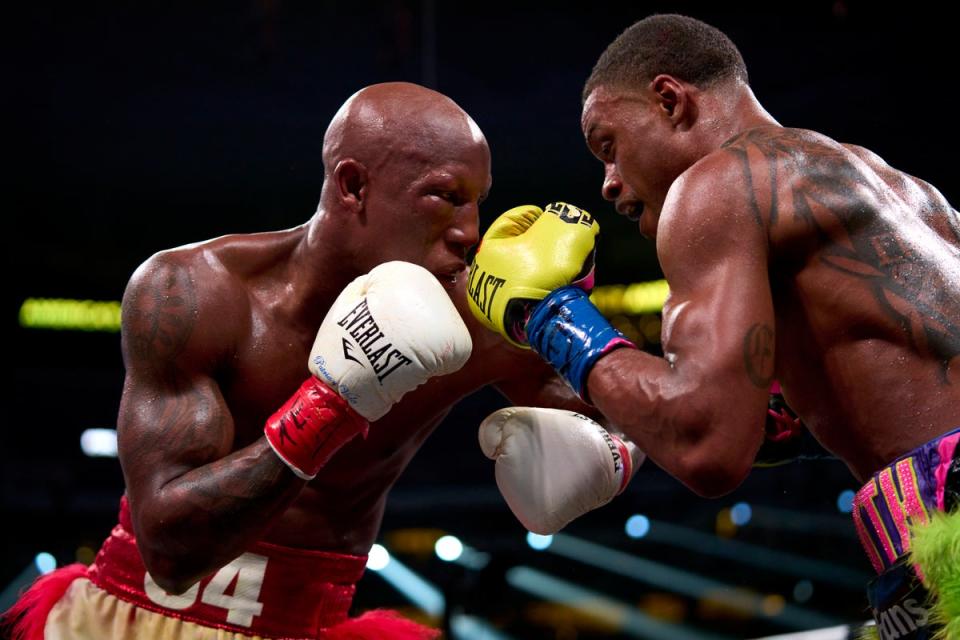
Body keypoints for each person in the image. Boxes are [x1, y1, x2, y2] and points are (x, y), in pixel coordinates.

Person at [2, 82, 642, 640]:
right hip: (130, 620)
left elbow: (664, 412)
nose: (471, 232)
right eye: (445, 196)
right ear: (353, 185)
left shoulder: (483, 316)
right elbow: (169, 549)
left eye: (479, 200)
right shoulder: (194, 291)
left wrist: (606, 427)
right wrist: (331, 404)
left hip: (307, 625)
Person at [469, 14, 960, 637]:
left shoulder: (718, 185)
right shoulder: (912, 195)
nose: (609, 184)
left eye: (608, 146)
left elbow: (707, 449)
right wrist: (780, 426)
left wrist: (547, 314)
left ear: (670, 100)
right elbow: (907, 382)